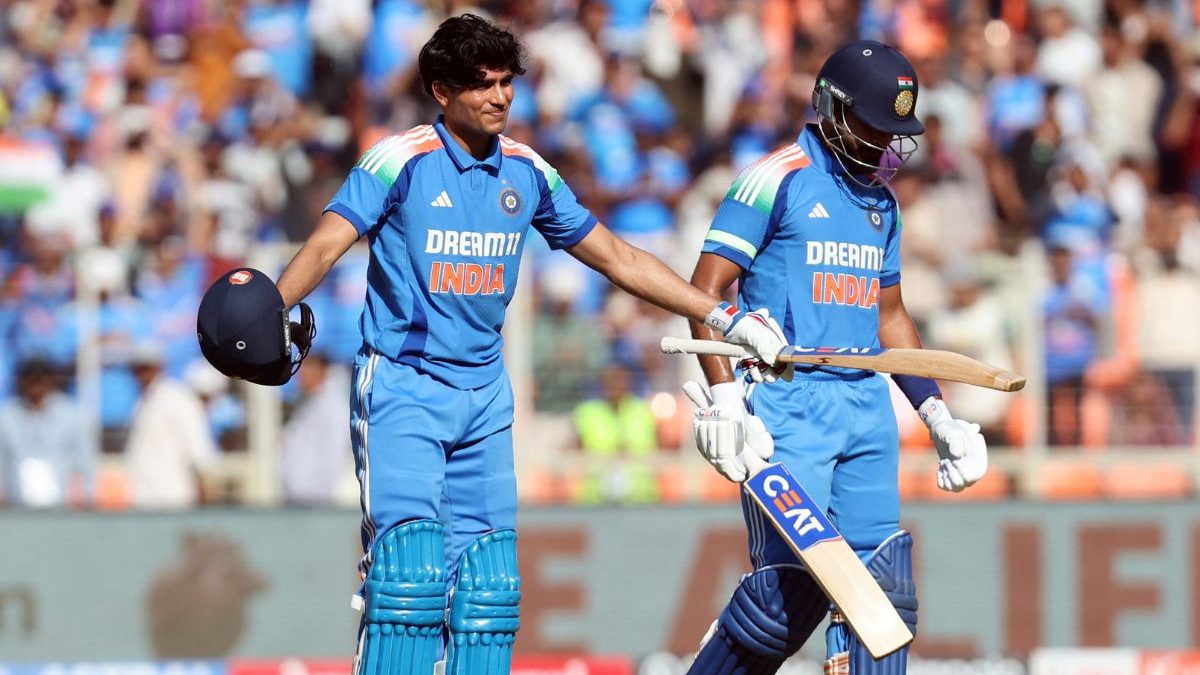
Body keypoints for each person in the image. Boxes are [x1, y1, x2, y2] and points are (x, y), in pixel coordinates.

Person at [196, 14, 786, 675]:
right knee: (409, 579)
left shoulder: (527, 171)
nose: (501, 97)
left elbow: (618, 258)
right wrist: (277, 308)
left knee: (488, 594)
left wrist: (723, 314)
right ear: (442, 91)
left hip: (484, 397)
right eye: (482, 85)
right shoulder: (400, 160)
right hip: (403, 389)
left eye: (507, 83)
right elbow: (330, 240)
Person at [682, 41, 989, 674]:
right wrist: (726, 401)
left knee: (883, 602)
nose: (884, 143)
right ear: (830, 106)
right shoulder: (777, 178)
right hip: (786, 404)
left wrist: (938, 417)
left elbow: (891, 320)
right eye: (873, 124)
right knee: (784, 601)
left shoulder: (882, 205)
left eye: (894, 130)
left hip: (865, 407)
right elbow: (702, 294)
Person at [0, 357, 94, 508]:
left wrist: (86, 496)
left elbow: (84, 460)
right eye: (31, 379)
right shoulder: (6, 417)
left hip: (61, 509)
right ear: (22, 381)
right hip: (17, 508)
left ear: (51, 380)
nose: (36, 385)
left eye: (41, 379)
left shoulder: (73, 415)